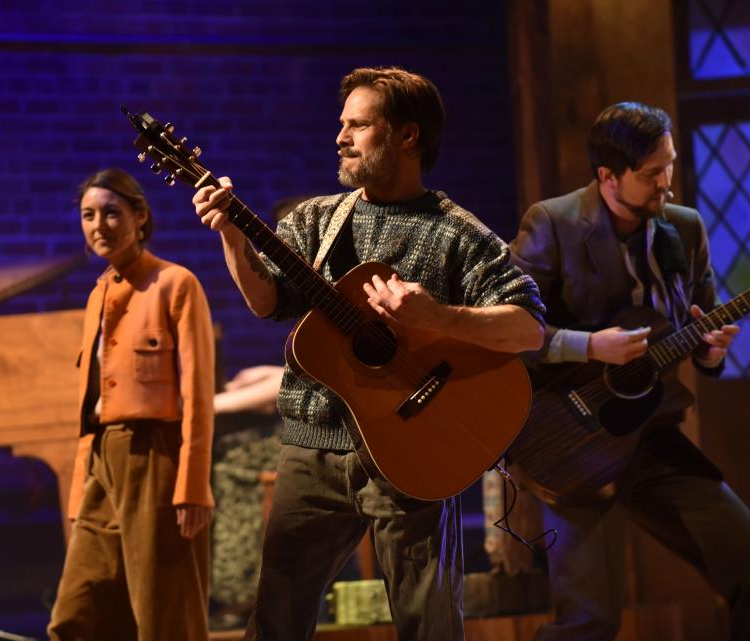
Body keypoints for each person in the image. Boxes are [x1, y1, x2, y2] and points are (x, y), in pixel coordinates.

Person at [193, 66, 545, 641]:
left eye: (358, 125)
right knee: (275, 622)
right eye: (342, 124)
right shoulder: (315, 220)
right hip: (312, 451)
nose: (341, 137)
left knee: (428, 625)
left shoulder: (458, 233)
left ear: (407, 136)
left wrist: (436, 317)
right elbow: (268, 302)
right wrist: (233, 235)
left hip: (413, 452)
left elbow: (528, 328)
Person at [510, 101, 750, 641]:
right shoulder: (553, 223)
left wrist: (711, 352)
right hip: (571, 439)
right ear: (607, 177)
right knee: (589, 623)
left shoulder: (683, 229)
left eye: (669, 165)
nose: (667, 182)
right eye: (650, 174)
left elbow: (701, 329)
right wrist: (589, 346)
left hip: (653, 435)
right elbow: (508, 334)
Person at [48, 168, 215, 641]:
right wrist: (82, 486)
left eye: (111, 213)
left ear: (140, 217)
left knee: (165, 615)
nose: (98, 225)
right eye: (88, 215)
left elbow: (197, 392)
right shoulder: (97, 293)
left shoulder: (175, 283)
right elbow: (91, 405)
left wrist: (193, 484)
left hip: (155, 457)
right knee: (78, 614)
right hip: (104, 460)